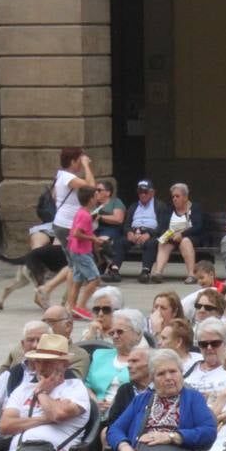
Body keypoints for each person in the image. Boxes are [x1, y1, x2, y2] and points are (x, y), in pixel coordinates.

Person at [139, 183, 205, 285]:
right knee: (163, 241)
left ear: (185, 197)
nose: (174, 199)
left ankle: (191, 275)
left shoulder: (195, 208)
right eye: (173, 196)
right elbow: (162, 226)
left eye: (177, 196)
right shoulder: (169, 209)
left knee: (185, 241)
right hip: (173, 236)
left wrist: (182, 234)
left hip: (191, 237)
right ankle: (158, 273)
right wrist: (167, 234)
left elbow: (198, 226)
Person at [86, 308, 146, 416]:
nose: (115, 336)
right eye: (112, 332)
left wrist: (117, 405)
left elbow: (146, 392)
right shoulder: (99, 355)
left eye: (120, 332)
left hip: (128, 414)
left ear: (138, 334)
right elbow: (87, 386)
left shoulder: (146, 360)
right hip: (95, 414)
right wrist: (95, 402)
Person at [51, 147, 95, 255]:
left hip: (63, 223)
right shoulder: (68, 178)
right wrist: (86, 165)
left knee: (73, 263)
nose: (81, 163)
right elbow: (91, 187)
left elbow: (54, 196)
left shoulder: (60, 175)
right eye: (79, 160)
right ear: (73, 161)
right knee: (79, 261)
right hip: (68, 225)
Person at [65, 184, 101, 316]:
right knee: (95, 279)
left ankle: (72, 307)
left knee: (78, 280)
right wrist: (93, 239)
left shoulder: (81, 213)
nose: (97, 199)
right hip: (81, 251)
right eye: (96, 196)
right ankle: (81, 306)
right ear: (91, 199)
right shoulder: (85, 215)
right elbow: (77, 233)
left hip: (75, 249)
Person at [186, 319, 226, 397]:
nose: (209, 348)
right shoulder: (190, 367)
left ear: (225, 344)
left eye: (215, 343)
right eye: (203, 344)